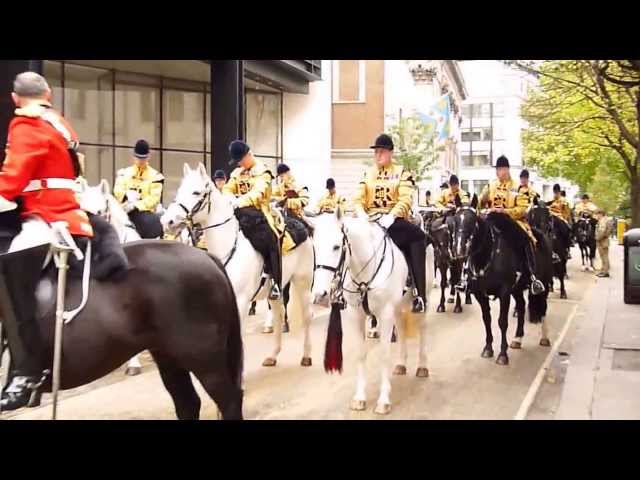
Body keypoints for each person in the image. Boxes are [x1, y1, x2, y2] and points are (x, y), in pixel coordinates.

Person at [0, 72, 97, 411]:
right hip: (69, 214)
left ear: (15, 99)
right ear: (49, 94)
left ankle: (26, 373)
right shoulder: (59, 121)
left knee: (8, 275)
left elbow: (11, 180)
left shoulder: (26, 125)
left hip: (47, 218)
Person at [353, 133, 427, 313]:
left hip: (393, 222)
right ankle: (344, 288)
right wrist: (361, 213)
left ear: (390, 153)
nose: (378, 155)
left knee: (419, 236)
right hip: (371, 221)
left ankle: (419, 292)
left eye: (382, 151)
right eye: (376, 152)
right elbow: (358, 198)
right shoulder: (368, 174)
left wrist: (392, 216)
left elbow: (405, 199)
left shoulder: (402, 173)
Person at [474, 155, 545, 295]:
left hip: (512, 221)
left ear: (506, 169)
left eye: (500, 169)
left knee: (525, 238)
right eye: (497, 169)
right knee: (475, 235)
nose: (498, 172)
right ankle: (468, 273)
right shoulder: (490, 186)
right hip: (491, 219)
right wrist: (480, 205)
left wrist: (504, 211)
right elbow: (479, 203)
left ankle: (531, 276)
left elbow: (522, 209)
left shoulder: (518, 188)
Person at [223, 140, 282, 300]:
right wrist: (228, 197)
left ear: (248, 155)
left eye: (241, 160)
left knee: (270, 240)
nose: (239, 164)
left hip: (259, 215)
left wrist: (238, 201)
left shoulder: (264, 172)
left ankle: (275, 281)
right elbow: (228, 188)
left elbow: (258, 193)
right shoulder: (237, 173)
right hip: (238, 214)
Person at [113, 140, 164, 238]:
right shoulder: (124, 173)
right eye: (138, 158)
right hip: (123, 211)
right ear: (133, 157)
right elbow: (117, 190)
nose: (141, 161)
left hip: (143, 214)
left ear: (149, 157)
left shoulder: (156, 176)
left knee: (150, 222)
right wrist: (126, 195)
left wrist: (136, 205)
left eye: (143, 158)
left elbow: (154, 199)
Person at [595, 208, 613, 278]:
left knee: (604, 256)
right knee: (603, 256)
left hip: (602, 241)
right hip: (603, 240)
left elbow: (602, 232)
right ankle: (603, 270)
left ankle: (605, 272)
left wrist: (597, 238)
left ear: (601, 214)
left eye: (597, 214)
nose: (596, 216)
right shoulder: (604, 220)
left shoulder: (603, 221)